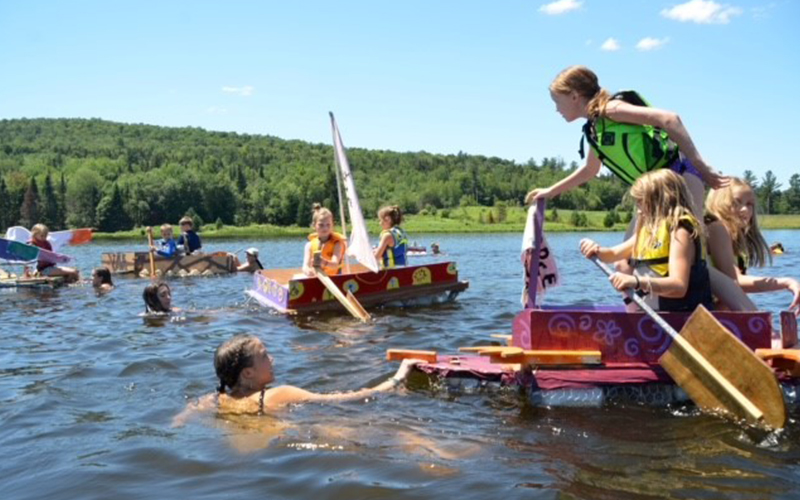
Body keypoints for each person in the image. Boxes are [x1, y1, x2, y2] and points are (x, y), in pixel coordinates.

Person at [525, 65, 727, 219]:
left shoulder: (611, 110)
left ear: (574, 96)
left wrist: (701, 164)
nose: (556, 110)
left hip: (680, 178)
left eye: (557, 102)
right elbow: (590, 170)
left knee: (687, 253)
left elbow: (669, 119)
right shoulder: (596, 129)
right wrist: (550, 192)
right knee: (625, 265)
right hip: (653, 191)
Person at [173, 334, 422, 425]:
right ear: (247, 373)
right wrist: (398, 378)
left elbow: (179, 421)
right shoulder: (279, 394)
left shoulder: (214, 400)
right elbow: (354, 398)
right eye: (264, 356)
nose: (272, 358)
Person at [580, 170, 713, 312]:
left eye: (641, 202)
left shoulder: (680, 231)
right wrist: (596, 249)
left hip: (680, 316)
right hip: (654, 315)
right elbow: (612, 254)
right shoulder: (648, 230)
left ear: (660, 200)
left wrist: (636, 282)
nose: (638, 211)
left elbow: (679, 286)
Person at [705, 178, 800, 315]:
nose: (745, 209)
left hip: (725, 315)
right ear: (719, 203)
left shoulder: (733, 235)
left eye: (750, 204)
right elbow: (735, 281)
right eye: (736, 202)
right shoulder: (717, 228)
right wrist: (786, 282)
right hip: (711, 316)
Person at [302, 204, 346, 277]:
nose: (325, 228)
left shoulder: (337, 244)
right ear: (314, 225)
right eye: (321, 225)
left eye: (328, 225)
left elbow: (335, 264)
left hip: (334, 279)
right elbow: (305, 266)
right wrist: (307, 271)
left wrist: (323, 262)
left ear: (332, 225)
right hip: (316, 278)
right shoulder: (309, 245)